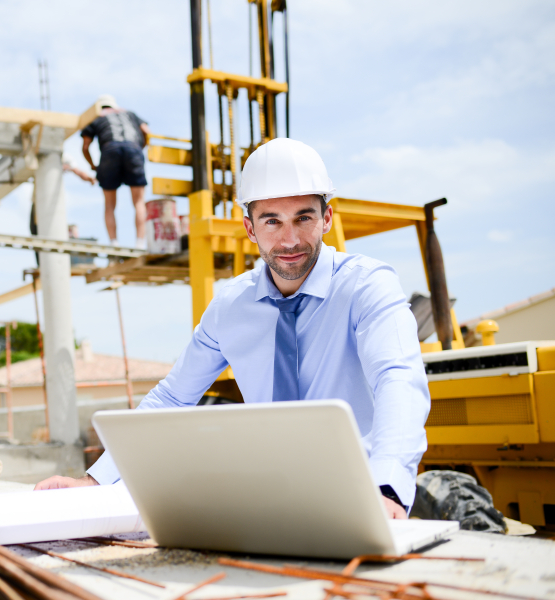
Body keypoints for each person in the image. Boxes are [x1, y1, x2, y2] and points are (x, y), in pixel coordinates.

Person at [35, 138, 431, 520]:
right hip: (272, 498)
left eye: (303, 218)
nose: (289, 239)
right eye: (272, 221)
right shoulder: (230, 307)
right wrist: (94, 480)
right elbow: (173, 398)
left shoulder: (367, 286)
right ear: (249, 228)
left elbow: (398, 379)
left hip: (362, 495)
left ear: (326, 218)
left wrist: (388, 489)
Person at [81, 94, 152, 249]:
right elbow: (146, 131)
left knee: (109, 205)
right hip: (133, 149)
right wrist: (139, 148)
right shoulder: (130, 114)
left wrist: (93, 166)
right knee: (139, 201)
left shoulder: (97, 117)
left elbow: (85, 146)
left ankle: (114, 243)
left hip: (109, 151)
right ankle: (140, 243)